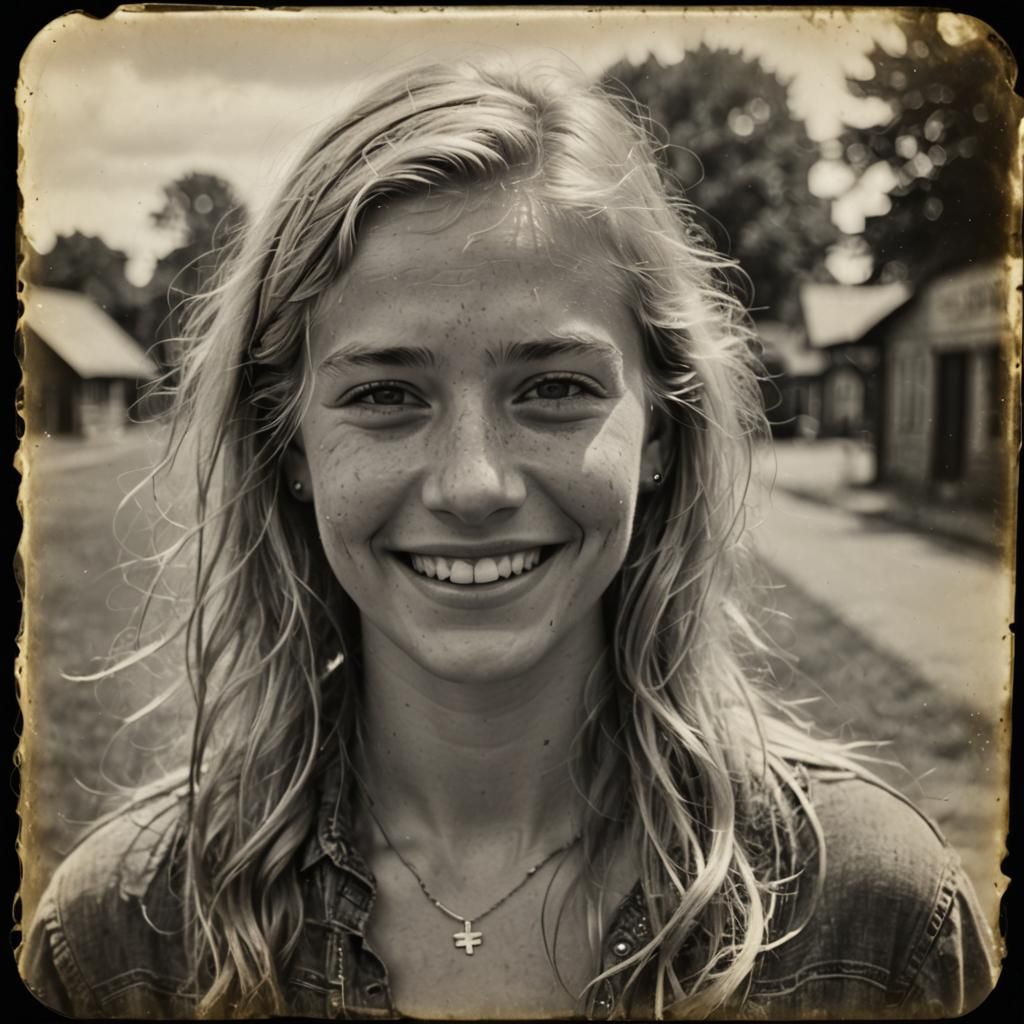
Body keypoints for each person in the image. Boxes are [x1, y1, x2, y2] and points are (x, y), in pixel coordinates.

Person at [20, 60, 998, 1020]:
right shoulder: (123, 942)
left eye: (554, 388)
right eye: (385, 395)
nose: (473, 484)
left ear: (659, 430)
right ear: (292, 446)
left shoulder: (870, 922)